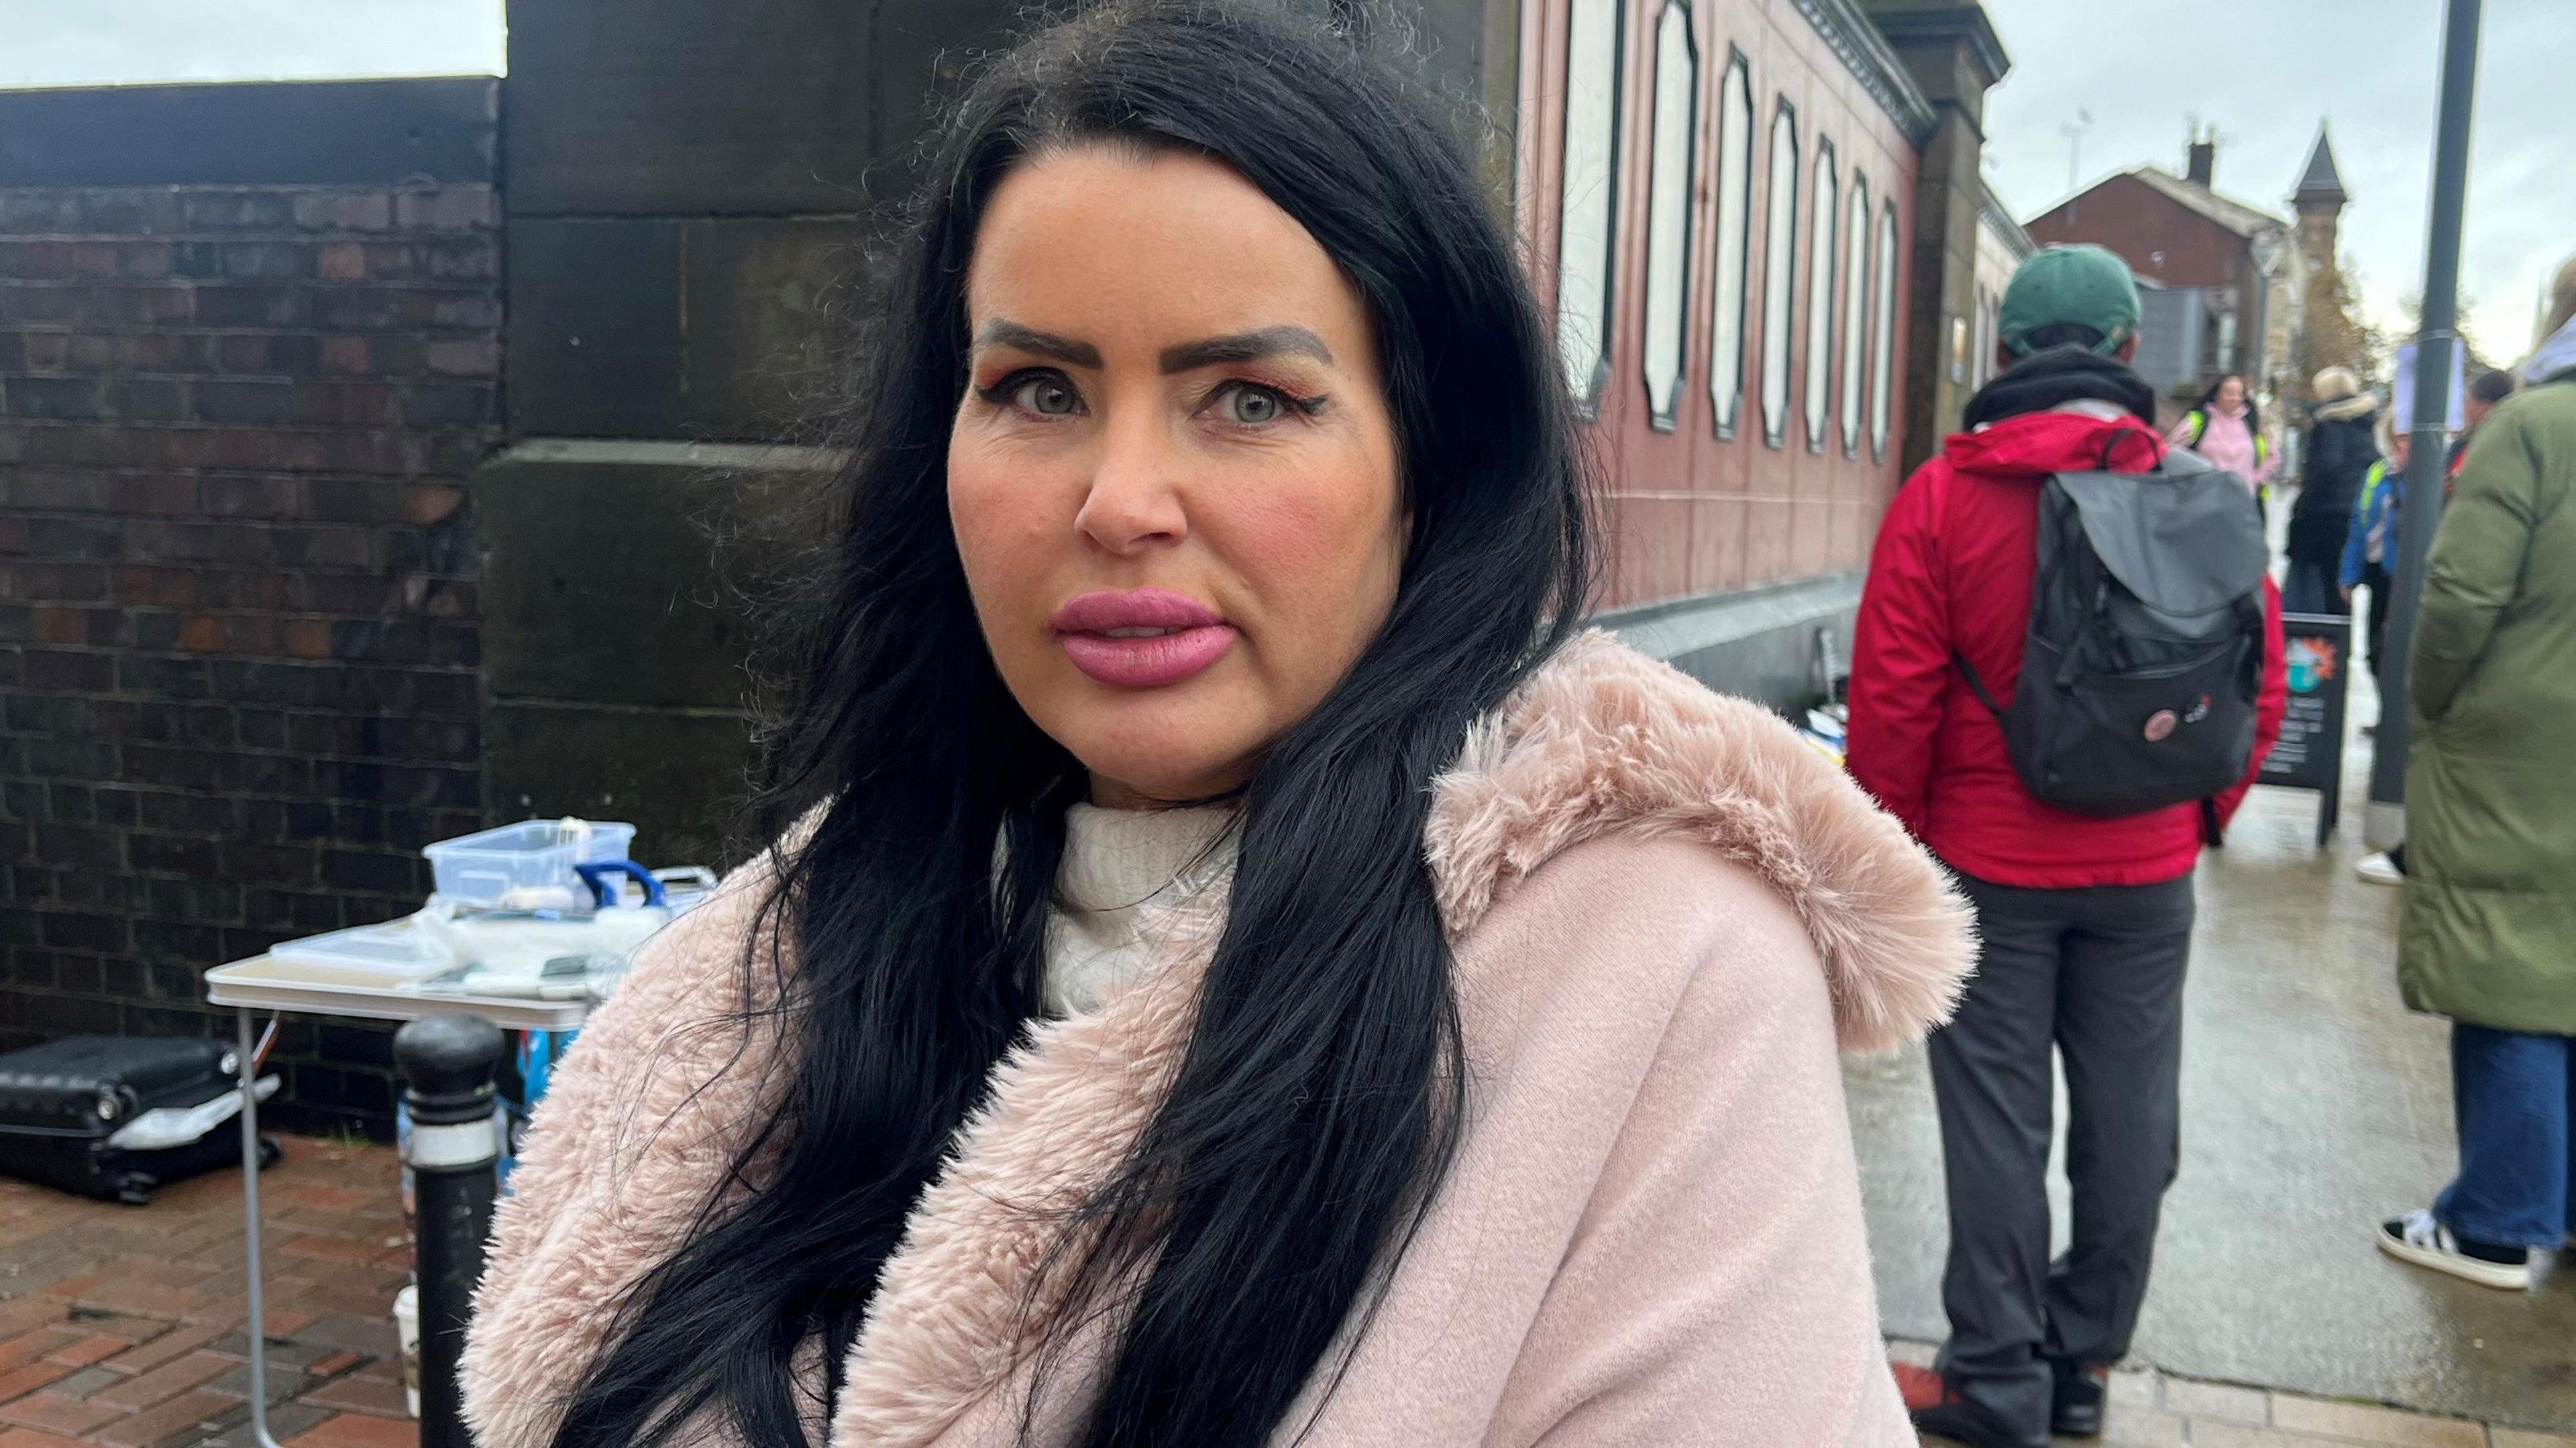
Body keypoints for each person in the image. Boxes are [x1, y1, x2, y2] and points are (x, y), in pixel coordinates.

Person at [460, 7, 1976, 1447]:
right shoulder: (799, 941)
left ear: (1425, 459)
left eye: (1249, 398)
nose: (1119, 500)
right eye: (1037, 387)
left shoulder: (1648, 974)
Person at [1847, 243, 2288, 1448]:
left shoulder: (1944, 497)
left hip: (1987, 868)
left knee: (1998, 1126)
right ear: (2131, 352)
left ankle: (1996, 1380)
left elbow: (1892, 705)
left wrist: (1891, 856)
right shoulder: (2205, 492)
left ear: (2005, 354)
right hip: (2148, 874)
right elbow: (2263, 686)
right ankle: (2083, 1358)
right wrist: (2196, 814)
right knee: (2132, 1112)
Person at [2377, 254, 2576, 1292]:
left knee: (2511, 968)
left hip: (2529, 744)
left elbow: (2458, 597)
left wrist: (2432, 706)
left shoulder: (2535, 428)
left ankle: (2497, 1219)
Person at [2353, 368, 2522, 887]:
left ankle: (2422, 852)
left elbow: (2472, 570)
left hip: (2481, 612)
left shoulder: (2507, 444)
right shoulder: (2475, 447)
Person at [2288, 366, 2381, 614]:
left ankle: (2318, 648)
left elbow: (2327, 469)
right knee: (2342, 589)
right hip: (2354, 514)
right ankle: (2339, 644)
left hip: (2323, 520)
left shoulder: (2328, 425)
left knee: (2316, 592)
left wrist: (2302, 508)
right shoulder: (2368, 425)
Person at [2339, 416, 2410, 679]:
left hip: (2409, 575)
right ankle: (2383, 714)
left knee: (2402, 649)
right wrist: (2349, 574)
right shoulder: (2378, 472)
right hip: (2379, 570)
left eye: (2410, 438)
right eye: (2399, 438)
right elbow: (2360, 522)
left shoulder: (2431, 474)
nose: (2404, 445)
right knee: (2375, 649)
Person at [2168, 372, 2279, 500]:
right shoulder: (2198, 421)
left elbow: (2274, 456)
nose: (2235, 398)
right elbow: (2169, 452)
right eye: (2229, 393)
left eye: (2239, 394)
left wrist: (2257, 478)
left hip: (2243, 503)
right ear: (2217, 394)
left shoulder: (2252, 424)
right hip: (2203, 501)